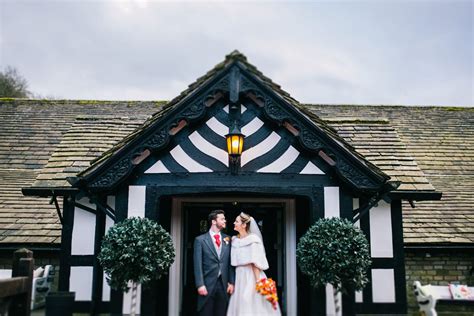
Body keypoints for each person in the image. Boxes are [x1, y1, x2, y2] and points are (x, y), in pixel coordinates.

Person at [227, 212, 281, 316]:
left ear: (244, 225)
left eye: (236, 221)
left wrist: (258, 282)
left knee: (249, 303)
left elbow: (255, 262)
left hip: (250, 276)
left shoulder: (253, 240)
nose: (234, 223)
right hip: (239, 276)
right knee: (239, 304)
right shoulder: (234, 240)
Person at [194, 210, 235, 316]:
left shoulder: (228, 239)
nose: (225, 220)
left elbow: (230, 263)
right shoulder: (200, 240)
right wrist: (200, 284)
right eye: (222, 219)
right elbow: (197, 264)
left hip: (224, 284)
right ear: (213, 221)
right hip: (207, 284)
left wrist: (231, 282)